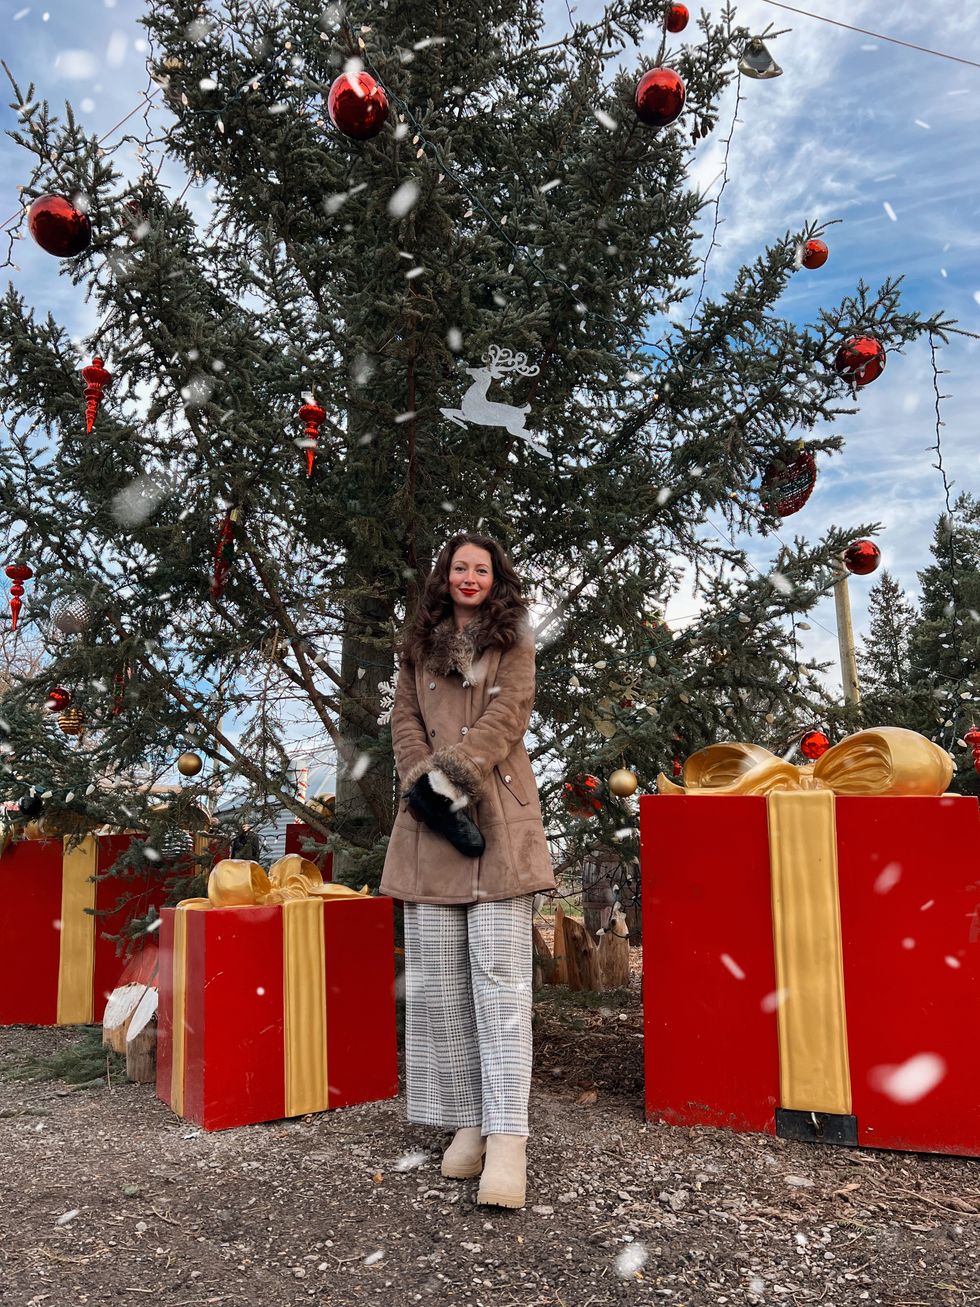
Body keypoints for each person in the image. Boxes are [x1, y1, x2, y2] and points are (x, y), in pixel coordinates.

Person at [380, 532, 556, 1209]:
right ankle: (469, 1121)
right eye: (461, 567)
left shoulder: (512, 639)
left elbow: (508, 714)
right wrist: (421, 784)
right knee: (444, 989)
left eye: (481, 568)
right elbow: (403, 720)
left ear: (494, 577)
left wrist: (451, 775)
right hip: (429, 826)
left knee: (502, 986)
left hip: (494, 817)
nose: (471, 577)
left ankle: (509, 1137)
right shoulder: (417, 646)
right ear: (446, 576)